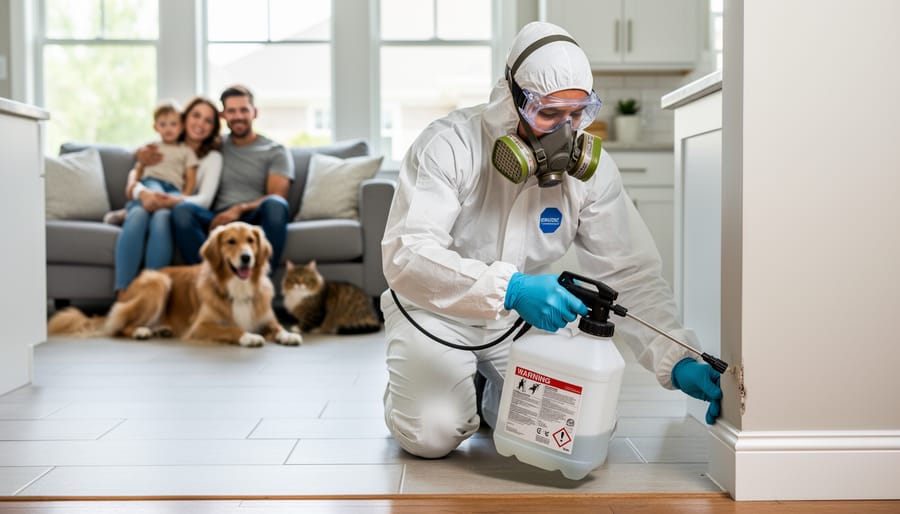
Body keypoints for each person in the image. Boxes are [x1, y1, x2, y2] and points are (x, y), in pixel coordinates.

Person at [379, 21, 722, 460]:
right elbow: (407, 254)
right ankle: (408, 385)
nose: (566, 131)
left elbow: (630, 273)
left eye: (577, 113)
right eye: (549, 113)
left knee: (576, 427)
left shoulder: (592, 174)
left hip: (520, 322)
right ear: (512, 101)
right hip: (435, 311)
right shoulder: (449, 147)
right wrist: (512, 288)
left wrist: (677, 358)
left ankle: (491, 393)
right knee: (433, 433)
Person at [170, 85, 294, 270]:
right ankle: (210, 278)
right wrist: (146, 153)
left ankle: (260, 281)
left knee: (277, 204)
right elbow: (178, 146)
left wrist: (239, 209)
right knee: (182, 211)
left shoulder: (275, 151)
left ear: (255, 112)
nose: (238, 116)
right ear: (223, 116)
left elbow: (278, 195)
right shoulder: (214, 144)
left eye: (244, 110)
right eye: (232, 111)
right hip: (216, 216)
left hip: (253, 216)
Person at [112, 96, 224, 296]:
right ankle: (123, 291)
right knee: (138, 215)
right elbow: (136, 174)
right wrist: (142, 191)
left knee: (163, 216)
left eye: (208, 120)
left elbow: (203, 198)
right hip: (148, 193)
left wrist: (176, 199)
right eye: (196, 116)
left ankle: (153, 293)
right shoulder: (158, 146)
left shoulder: (210, 157)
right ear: (184, 119)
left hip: (174, 203)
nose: (200, 123)